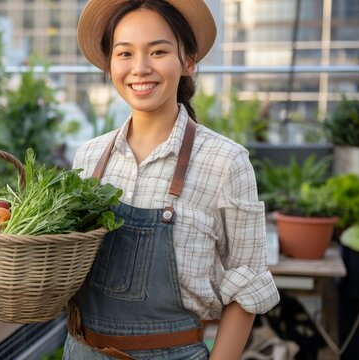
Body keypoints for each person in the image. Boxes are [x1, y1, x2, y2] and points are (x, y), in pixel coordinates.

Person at [66, 1, 280, 359]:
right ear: (110, 64)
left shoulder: (225, 161)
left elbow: (247, 281)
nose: (140, 68)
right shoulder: (89, 158)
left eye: (158, 51)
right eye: (125, 53)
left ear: (188, 61)